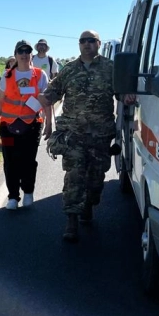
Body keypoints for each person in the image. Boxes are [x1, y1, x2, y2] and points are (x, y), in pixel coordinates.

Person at [40, 30, 118, 242]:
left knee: (96, 179)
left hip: (100, 135)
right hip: (73, 135)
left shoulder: (110, 68)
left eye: (91, 40)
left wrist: (128, 96)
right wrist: (43, 99)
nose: (86, 44)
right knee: (74, 177)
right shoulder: (69, 70)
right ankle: (71, 220)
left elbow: (123, 93)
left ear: (98, 44)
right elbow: (52, 93)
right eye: (83, 41)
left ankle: (89, 205)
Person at [0, 40, 48, 209]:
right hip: (7, 126)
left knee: (29, 159)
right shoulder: (7, 76)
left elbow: (46, 101)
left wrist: (50, 123)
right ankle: (13, 196)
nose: (24, 54)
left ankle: (28, 191)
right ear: (15, 55)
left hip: (33, 125)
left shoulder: (40, 74)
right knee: (10, 160)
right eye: (20, 51)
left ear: (31, 54)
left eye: (27, 51)